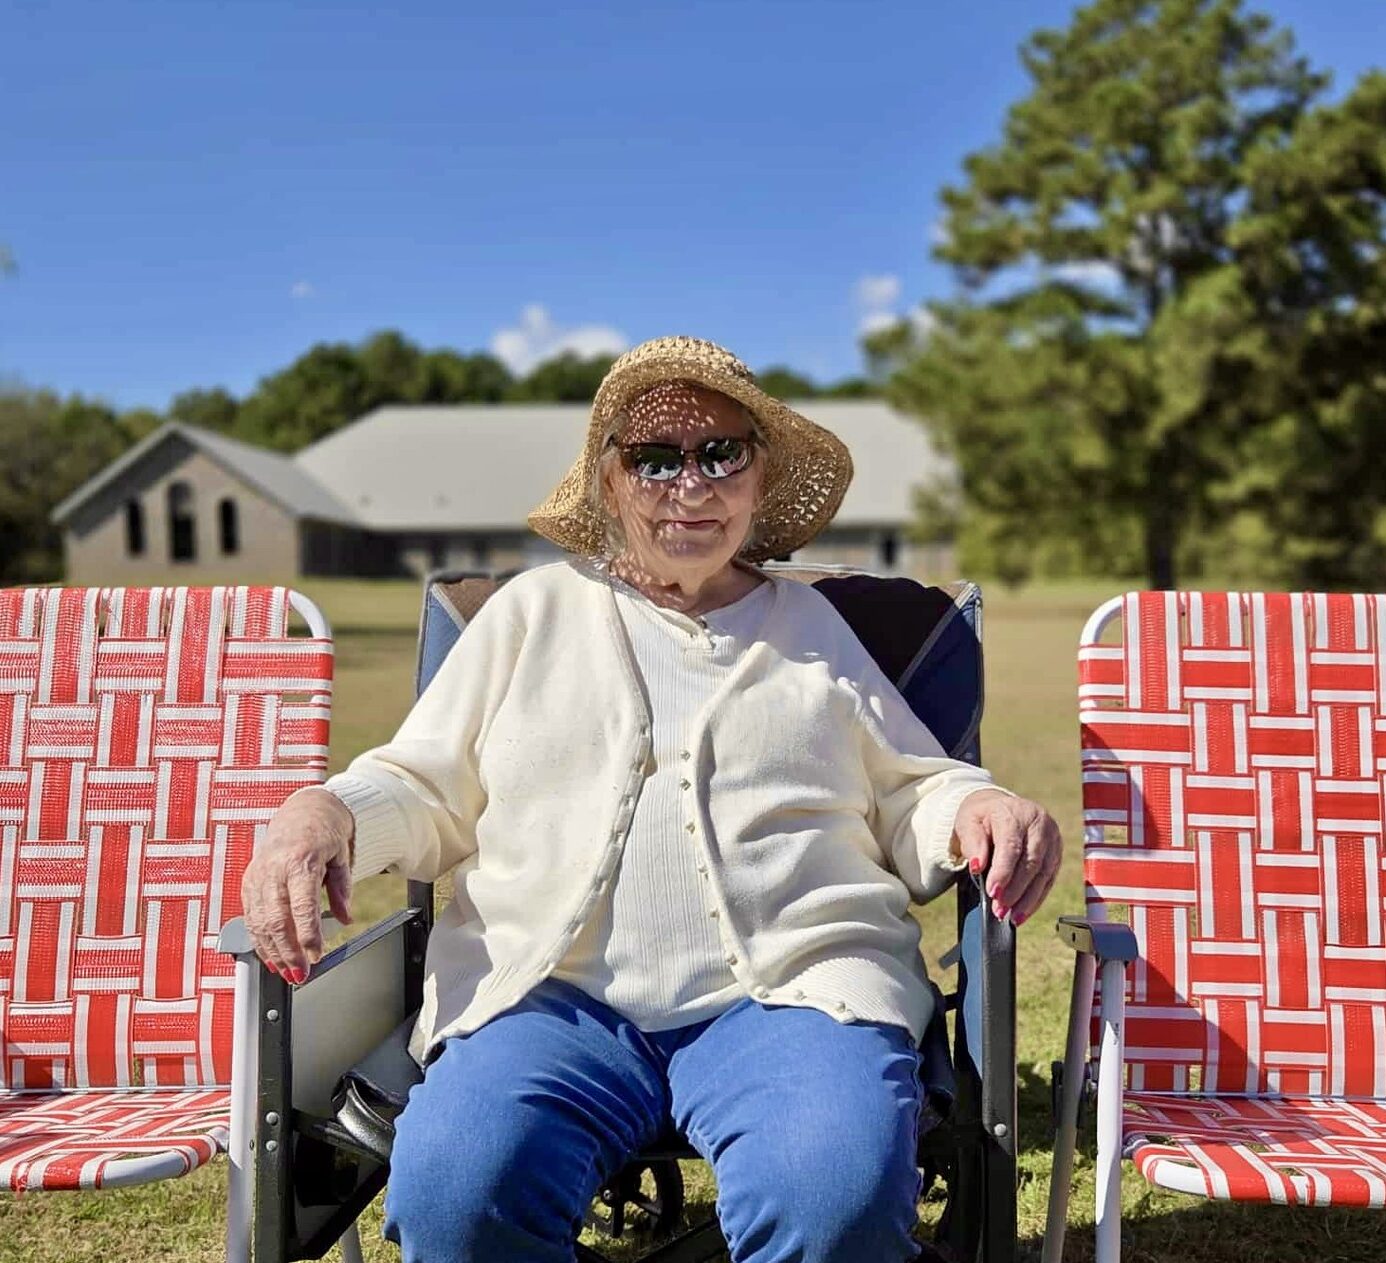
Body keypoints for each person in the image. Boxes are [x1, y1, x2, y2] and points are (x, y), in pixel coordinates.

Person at [241, 336, 1063, 1263]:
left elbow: (914, 791)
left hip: (795, 995)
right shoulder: (531, 613)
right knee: (457, 1194)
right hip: (549, 1000)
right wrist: (325, 812)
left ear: (758, 478)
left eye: (722, 454)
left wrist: (977, 810)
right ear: (609, 479)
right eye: (656, 458)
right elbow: (419, 782)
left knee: (834, 1200)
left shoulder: (814, 630)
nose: (692, 484)